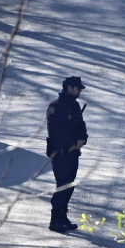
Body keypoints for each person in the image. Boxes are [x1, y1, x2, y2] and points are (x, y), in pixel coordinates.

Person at [46, 76, 88, 233]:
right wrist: (70, 144)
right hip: (60, 152)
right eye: (77, 89)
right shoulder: (56, 106)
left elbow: (80, 125)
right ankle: (55, 219)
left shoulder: (75, 106)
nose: (79, 92)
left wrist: (82, 139)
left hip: (73, 152)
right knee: (62, 185)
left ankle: (63, 217)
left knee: (69, 185)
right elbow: (55, 132)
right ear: (69, 88)